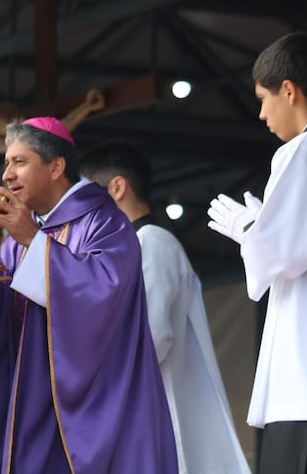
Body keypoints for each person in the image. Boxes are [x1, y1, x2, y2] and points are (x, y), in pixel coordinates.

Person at [0, 117, 178, 474]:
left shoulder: (103, 222)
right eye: (7, 163)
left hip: (83, 410)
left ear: (56, 166)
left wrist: (32, 239)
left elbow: (104, 299)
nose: (7, 175)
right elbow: (1, 318)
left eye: (20, 162)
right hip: (30, 403)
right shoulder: (22, 236)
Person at [207, 31, 307, 474]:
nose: (262, 113)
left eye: (263, 98)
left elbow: (282, 255)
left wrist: (248, 228)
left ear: (288, 90)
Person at [81, 142, 251, 474]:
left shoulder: (151, 243)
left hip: (161, 419)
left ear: (117, 187)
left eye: (86, 196)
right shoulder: (135, 245)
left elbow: (151, 336)